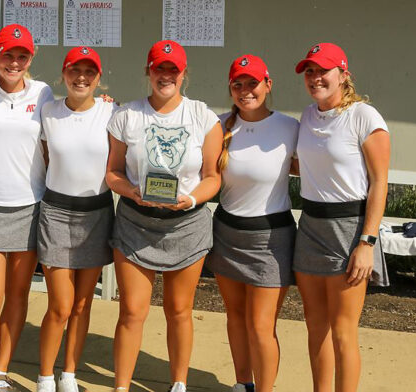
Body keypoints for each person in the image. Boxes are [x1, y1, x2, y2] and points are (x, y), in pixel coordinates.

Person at [106, 40, 222, 392]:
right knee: (132, 311)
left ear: (184, 74)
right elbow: (112, 172)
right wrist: (132, 191)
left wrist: (189, 200)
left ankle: (178, 384)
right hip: (135, 223)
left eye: (173, 69)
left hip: (187, 224)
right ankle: (122, 386)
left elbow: (213, 177)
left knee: (179, 311)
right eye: (159, 68)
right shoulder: (127, 116)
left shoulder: (202, 116)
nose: (165, 75)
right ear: (149, 72)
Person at [293, 43, 389, 392]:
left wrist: (367, 241)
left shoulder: (365, 116)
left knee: (343, 331)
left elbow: (380, 183)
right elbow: (301, 165)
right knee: (315, 325)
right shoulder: (306, 116)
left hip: (350, 231)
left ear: (343, 74)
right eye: (310, 71)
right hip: (310, 227)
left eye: (323, 70)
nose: (315, 77)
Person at [0, 24, 54, 392]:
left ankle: (1, 370)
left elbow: (57, 139)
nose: (14, 62)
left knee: (17, 296)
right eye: (7, 55)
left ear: (30, 58)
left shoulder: (44, 92)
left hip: (29, 208)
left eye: (22, 56)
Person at [204, 54, 299, 392]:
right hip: (227, 233)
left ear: (268, 85)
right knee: (236, 318)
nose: (246, 90)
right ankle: (242, 384)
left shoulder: (290, 127)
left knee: (261, 326)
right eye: (238, 84)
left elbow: (316, 163)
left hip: (271, 239)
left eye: (253, 82)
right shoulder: (218, 126)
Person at [35, 46, 115, 392]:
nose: (81, 77)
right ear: (63, 74)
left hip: (96, 213)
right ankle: (45, 376)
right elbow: (44, 156)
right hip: (56, 213)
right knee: (60, 304)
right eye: (74, 70)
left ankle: (68, 373)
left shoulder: (113, 112)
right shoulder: (48, 112)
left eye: (89, 72)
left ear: (98, 79)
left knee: (82, 303)